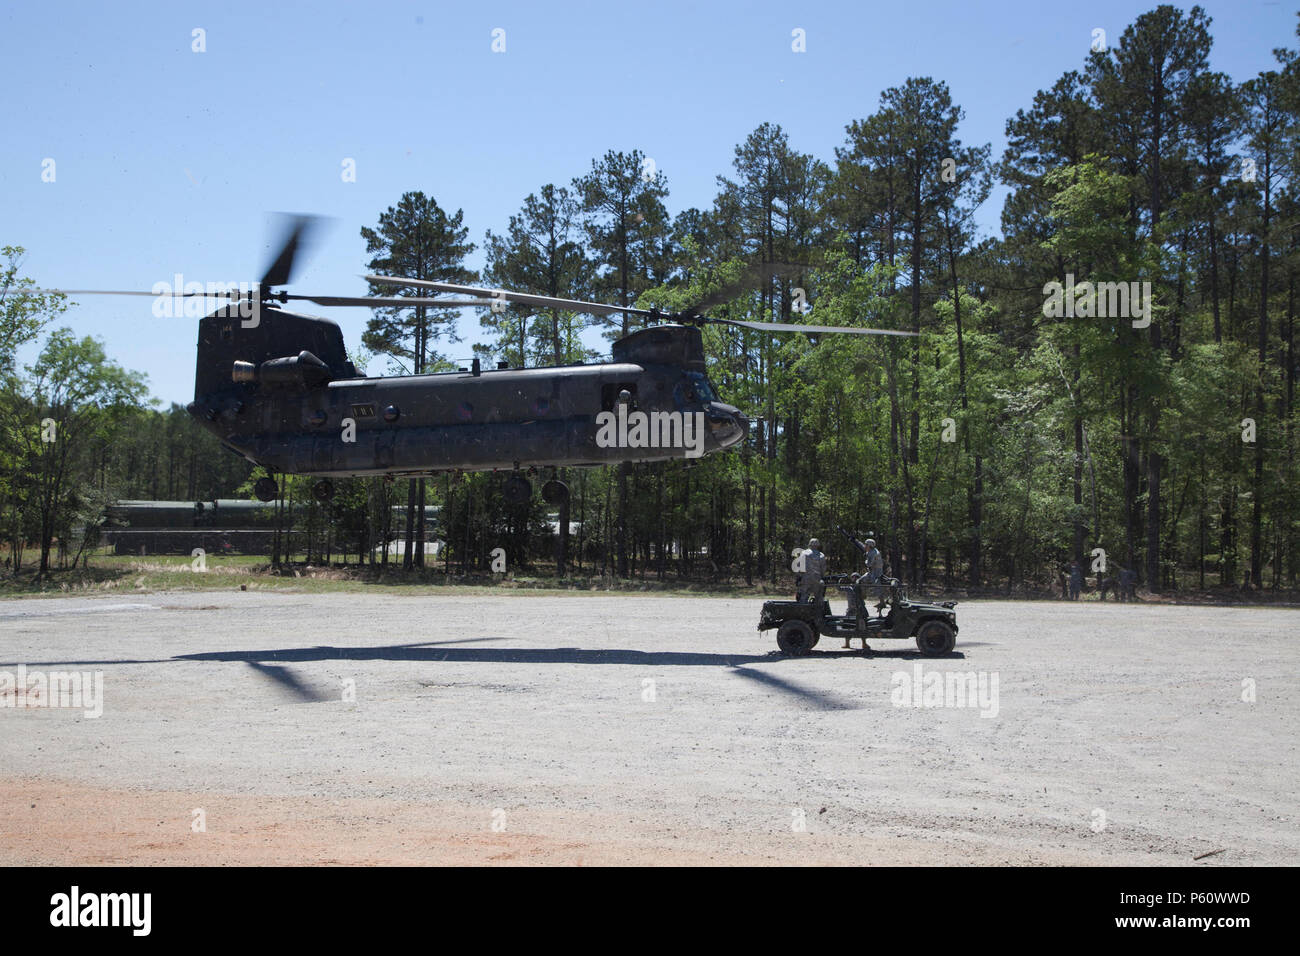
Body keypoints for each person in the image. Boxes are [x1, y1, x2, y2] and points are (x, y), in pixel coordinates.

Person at [796, 538, 826, 603]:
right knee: (819, 597)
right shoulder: (821, 555)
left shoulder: (804, 553)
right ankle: (818, 608)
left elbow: (799, 566)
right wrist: (822, 577)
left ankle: (803, 608)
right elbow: (823, 569)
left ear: (809, 544)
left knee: (804, 597)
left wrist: (799, 576)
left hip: (806, 579)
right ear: (818, 545)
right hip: (817, 579)